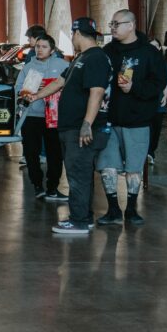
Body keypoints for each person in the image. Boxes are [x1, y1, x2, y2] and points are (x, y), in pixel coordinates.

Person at [27, 17, 111, 236]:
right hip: (70, 127)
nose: (72, 39)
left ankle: (79, 221)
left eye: (72, 35)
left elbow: (97, 91)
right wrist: (36, 96)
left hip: (79, 128)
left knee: (78, 174)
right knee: (79, 173)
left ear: (77, 34)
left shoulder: (96, 58)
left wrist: (87, 124)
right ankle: (85, 217)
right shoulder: (81, 58)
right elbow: (59, 82)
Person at [97, 9, 167, 227]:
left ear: (131, 25)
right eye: (111, 24)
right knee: (107, 166)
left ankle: (131, 209)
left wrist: (134, 87)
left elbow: (158, 84)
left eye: (116, 24)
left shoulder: (149, 53)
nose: (112, 28)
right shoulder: (107, 51)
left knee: (134, 168)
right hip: (108, 120)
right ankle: (113, 209)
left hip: (137, 121)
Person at [15, 33, 68, 201]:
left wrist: (54, 87)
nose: (39, 49)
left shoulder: (63, 65)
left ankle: (53, 188)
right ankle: (37, 185)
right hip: (32, 116)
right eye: (37, 46)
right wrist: (26, 91)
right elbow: (17, 89)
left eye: (44, 47)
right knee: (31, 152)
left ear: (52, 50)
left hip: (55, 117)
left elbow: (72, 87)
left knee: (55, 153)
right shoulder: (28, 67)